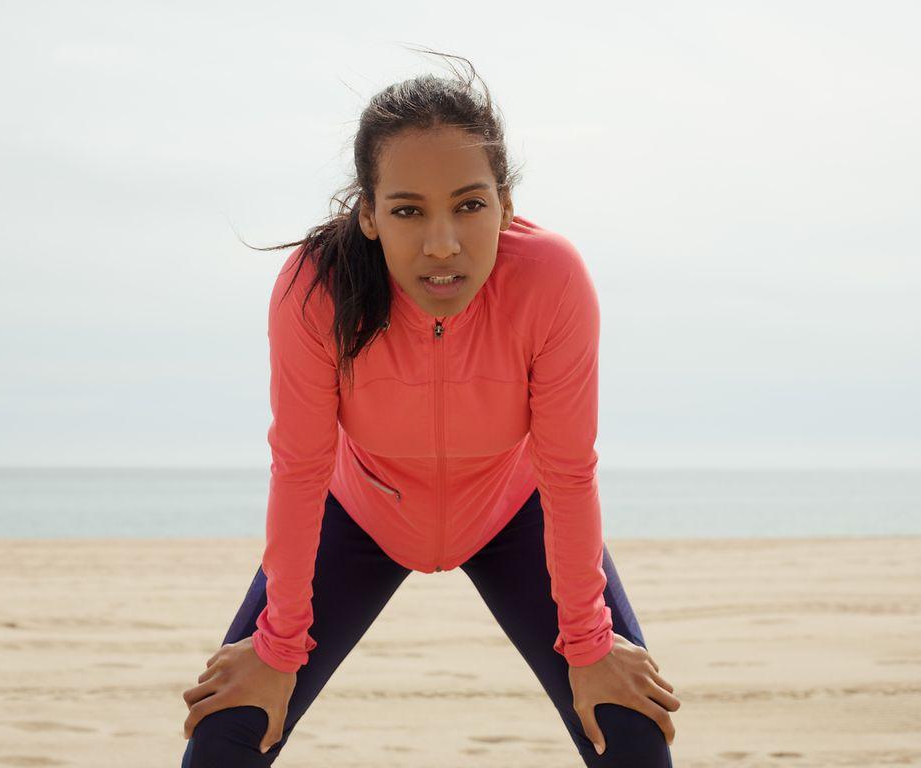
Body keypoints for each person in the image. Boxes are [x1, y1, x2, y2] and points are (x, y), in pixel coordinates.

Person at [180, 52, 680, 767]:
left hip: (515, 513)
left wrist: (591, 645)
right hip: (357, 514)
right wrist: (278, 647)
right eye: (409, 210)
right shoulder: (314, 290)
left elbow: (569, 472)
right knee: (225, 737)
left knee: (632, 735)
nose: (442, 244)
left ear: (505, 204)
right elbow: (298, 469)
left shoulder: (551, 281)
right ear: (370, 215)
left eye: (470, 206)